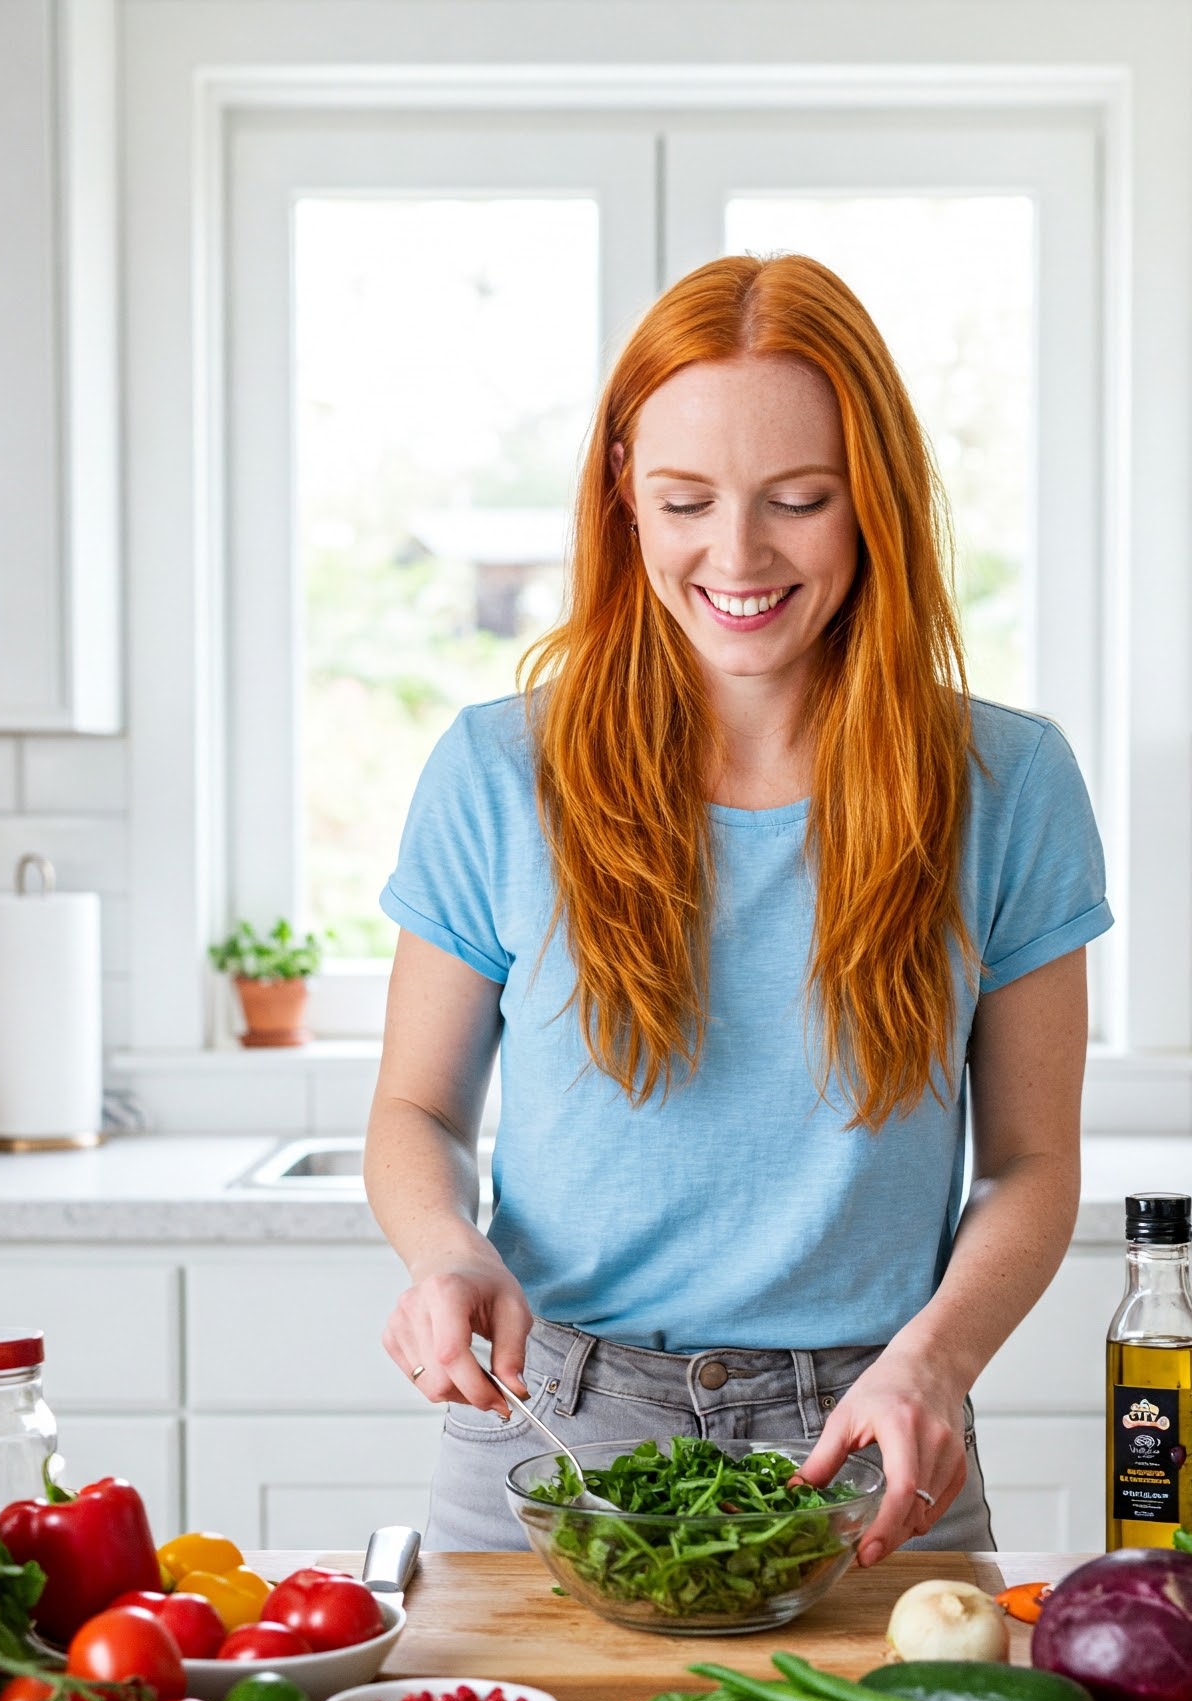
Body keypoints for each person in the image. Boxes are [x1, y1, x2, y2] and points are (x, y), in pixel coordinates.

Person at [366, 252, 1110, 1562]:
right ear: (624, 502)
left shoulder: (1010, 785)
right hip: (556, 1440)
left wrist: (935, 1363)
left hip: (871, 1437)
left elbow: (1034, 1163)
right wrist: (448, 1256)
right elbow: (416, 1111)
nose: (739, 555)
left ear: (871, 499)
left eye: (799, 501)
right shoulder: (499, 773)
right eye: (686, 501)